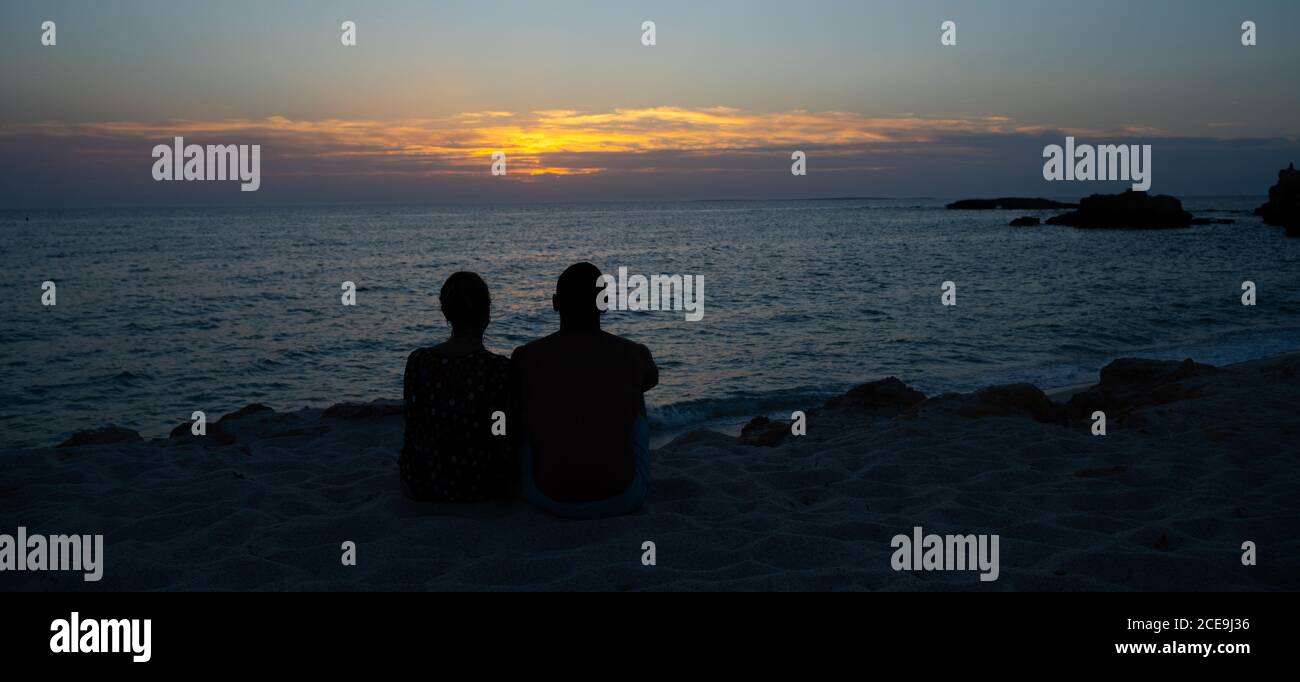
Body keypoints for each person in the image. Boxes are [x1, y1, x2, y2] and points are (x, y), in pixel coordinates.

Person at [511, 262, 658, 519]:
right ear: (604, 302)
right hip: (622, 497)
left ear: (556, 303)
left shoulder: (526, 357)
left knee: (523, 403)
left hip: (547, 496)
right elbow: (649, 380)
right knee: (634, 393)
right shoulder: (635, 354)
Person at [399, 272, 513, 502]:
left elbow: (413, 423)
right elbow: (501, 433)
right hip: (480, 485)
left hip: (421, 481)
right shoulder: (497, 368)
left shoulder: (418, 361)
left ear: (445, 313)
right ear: (487, 314)